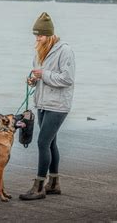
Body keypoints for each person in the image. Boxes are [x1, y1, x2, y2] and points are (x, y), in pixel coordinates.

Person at [19, 12, 75, 201]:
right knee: (50, 143)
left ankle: (39, 187)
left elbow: (67, 79)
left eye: (40, 35)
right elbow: (40, 76)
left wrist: (43, 74)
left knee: (43, 142)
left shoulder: (65, 50)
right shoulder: (39, 49)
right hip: (42, 103)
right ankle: (54, 183)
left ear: (50, 34)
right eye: (36, 35)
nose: (37, 38)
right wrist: (33, 80)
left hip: (58, 105)